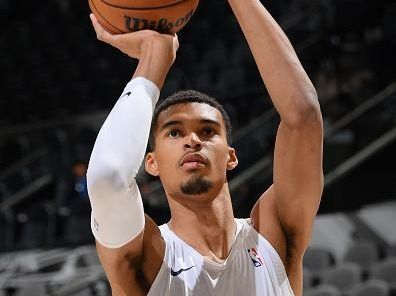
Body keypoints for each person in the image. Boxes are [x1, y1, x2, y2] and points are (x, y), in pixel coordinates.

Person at [87, 0, 323, 295]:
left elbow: (303, 116)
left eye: (208, 131)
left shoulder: (273, 234)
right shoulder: (147, 257)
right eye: (174, 133)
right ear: (152, 163)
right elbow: (107, 178)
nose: (193, 140)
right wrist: (154, 61)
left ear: (230, 156)